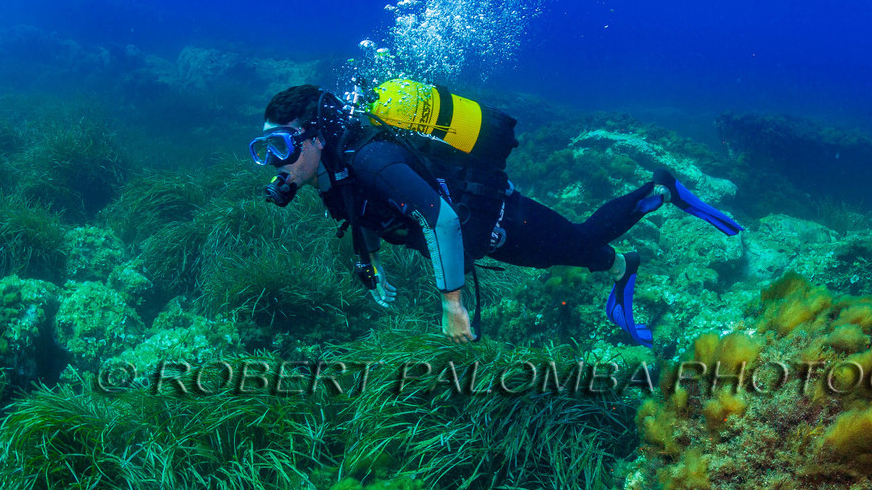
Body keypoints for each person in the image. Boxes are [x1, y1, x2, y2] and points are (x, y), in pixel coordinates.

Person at [248, 84, 742, 344]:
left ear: (314, 135)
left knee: (585, 243)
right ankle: (622, 263)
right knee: (576, 253)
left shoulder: (371, 158)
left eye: (282, 145)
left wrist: (452, 306)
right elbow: (360, 212)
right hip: (481, 238)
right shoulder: (332, 168)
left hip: (503, 220)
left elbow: (440, 219)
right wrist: (369, 263)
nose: (276, 162)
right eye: (266, 147)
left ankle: (660, 190)